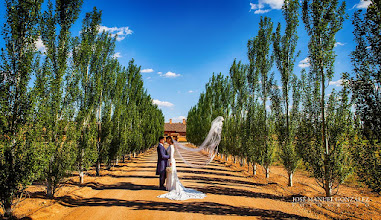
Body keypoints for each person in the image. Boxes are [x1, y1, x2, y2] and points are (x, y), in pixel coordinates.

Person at [158, 136, 206, 200]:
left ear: (169, 140)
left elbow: (171, 155)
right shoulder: (169, 146)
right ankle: (169, 186)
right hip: (169, 161)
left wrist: (170, 162)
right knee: (169, 174)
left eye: (166, 139)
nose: (165, 141)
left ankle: (172, 186)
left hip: (171, 161)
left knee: (171, 174)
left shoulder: (171, 147)